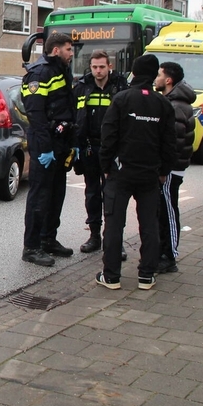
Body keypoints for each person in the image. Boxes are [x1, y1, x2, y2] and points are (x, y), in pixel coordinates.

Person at [97, 53, 176, 291]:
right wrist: (163, 170)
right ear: (153, 76)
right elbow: (169, 143)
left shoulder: (121, 99)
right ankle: (146, 275)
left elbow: (108, 136)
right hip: (150, 174)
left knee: (113, 224)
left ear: (134, 71)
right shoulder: (163, 104)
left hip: (121, 173)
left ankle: (111, 276)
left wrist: (106, 167)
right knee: (149, 224)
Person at [20, 32, 77, 266]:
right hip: (45, 144)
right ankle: (31, 247)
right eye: (68, 49)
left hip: (59, 143)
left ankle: (48, 239)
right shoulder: (39, 74)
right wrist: (44, 148)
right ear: (56, 50)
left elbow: (66, 107)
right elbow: (36, 114)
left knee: (56, 195)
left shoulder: (61, 71)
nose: (72, 53)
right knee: (40, 197)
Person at [74, 50, 130, 259]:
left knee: (113, 196)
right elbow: (75, 116)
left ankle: (114, 239)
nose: (98, 71)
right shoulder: (82, 87)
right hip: (89, 148)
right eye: (94, 67)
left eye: (102, 67)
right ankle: (95, 236)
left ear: (109, 67)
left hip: (113, 150)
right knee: (92, 193)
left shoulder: (120, 87)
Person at [154, 61, 195, 273]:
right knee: (163, 210)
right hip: (169, 168)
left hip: (170, 169)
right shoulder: (171, 101)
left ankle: (169, 256)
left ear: (168, 80)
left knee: (169, 210)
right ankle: (163, 251)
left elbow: (174, 142)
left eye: (159, 75)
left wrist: (163, 168)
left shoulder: (175, 105)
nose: (156, 78)